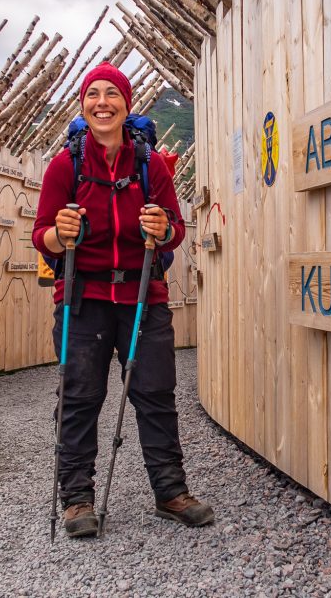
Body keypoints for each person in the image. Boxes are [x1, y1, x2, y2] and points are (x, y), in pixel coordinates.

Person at [32, 62, 214, 538]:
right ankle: (76, 500)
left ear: (127, 104)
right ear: (83, 105)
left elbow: (175, 231)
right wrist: (59, 233)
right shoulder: (64, 166)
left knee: (155, 394)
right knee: (79, 398)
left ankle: (170, 492)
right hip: (82, 298)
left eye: (111, 94)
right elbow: (40, 237)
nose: (102, 103)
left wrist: (165, 229)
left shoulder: (151, 166)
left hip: (141, 296)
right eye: (93, 94)